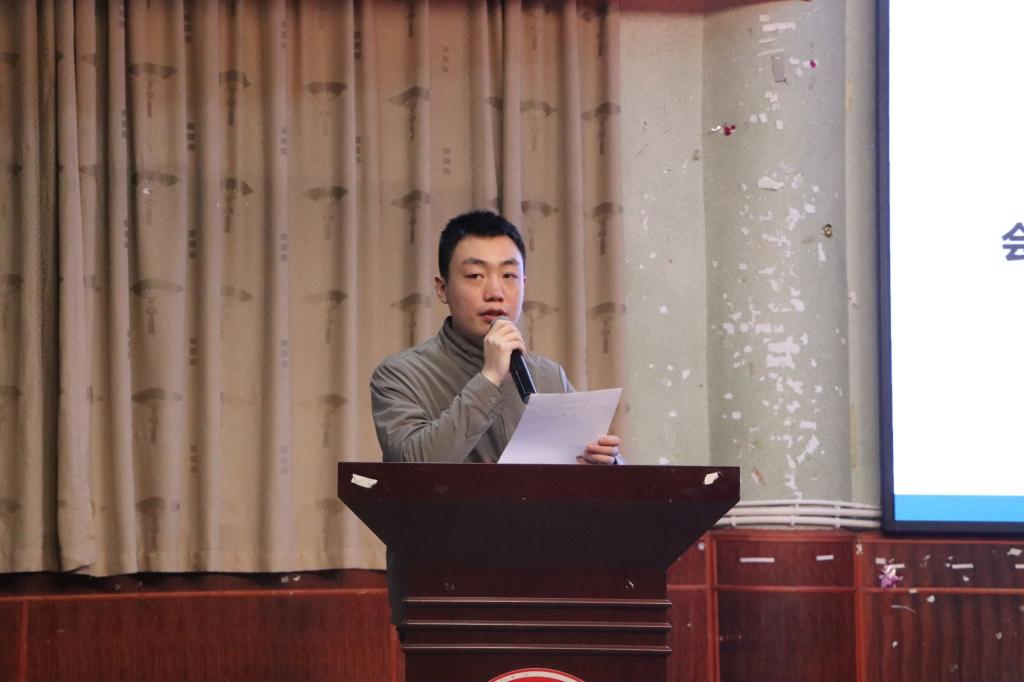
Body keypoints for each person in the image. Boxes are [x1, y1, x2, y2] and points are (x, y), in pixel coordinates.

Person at [370, 209, 622, 466]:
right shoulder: (400, 374)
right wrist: (489, 378)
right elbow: (413, 465)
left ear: (524, 284)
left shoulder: (548, 376)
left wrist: (607, 463)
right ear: (442, 288)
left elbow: (608, 470)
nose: (495, 292)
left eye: (509, 276)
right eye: (475, 276)